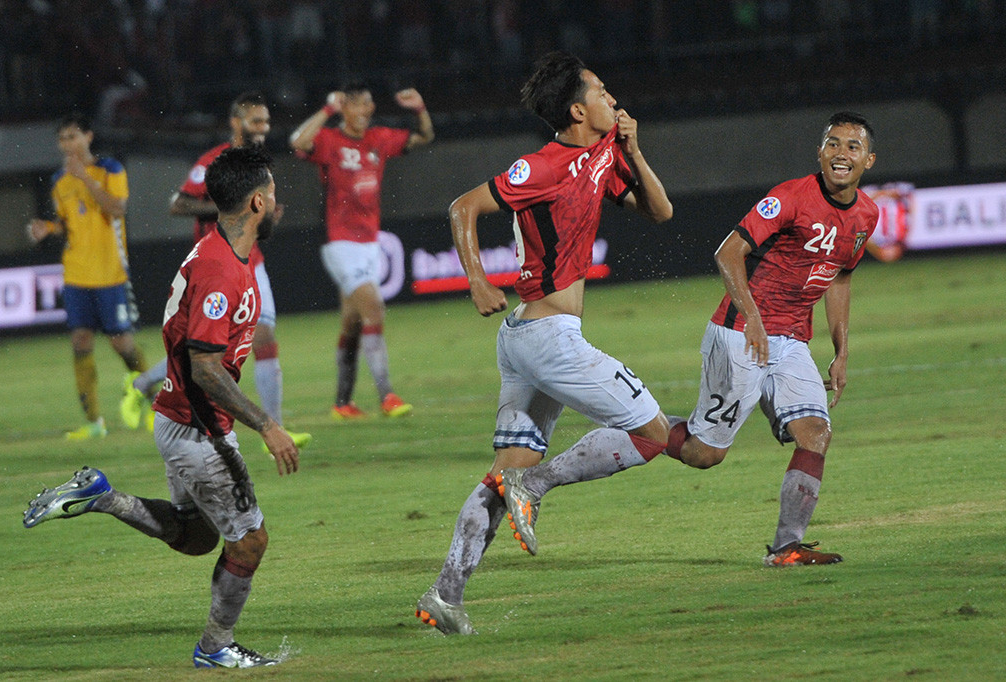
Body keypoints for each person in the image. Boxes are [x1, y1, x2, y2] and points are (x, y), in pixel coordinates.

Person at [414, 51, 673, 635]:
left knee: (503, 470)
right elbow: (464, 206)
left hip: (531, 340)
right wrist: (477, 280)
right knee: (654, 434)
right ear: (579, 109)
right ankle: (539, 482)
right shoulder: (543, 166)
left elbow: (660, 211)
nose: (613, 98)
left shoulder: (607, 152)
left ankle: (445, 595)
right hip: (547, 339)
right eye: (602, 91)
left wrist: (634, 149)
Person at [23, 146, 301, 669]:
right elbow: (205, 368)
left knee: (195, 537)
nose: (279, 205)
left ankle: (103, 497)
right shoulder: (223, 271)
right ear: (258, 201)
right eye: (275, 195)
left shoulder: (218, 253)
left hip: (177, 422)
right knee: (250, 543)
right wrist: (267, 425)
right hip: (200, 431)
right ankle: (216, 648)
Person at [659, 112, 879, 566]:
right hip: (743, 332)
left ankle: (786, 548)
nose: (841, 153)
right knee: (704, 454)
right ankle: (637, 422)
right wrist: (755, 319)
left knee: (815, 433)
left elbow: (839, 280)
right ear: (819, 153)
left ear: (869, 160)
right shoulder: (789, 197)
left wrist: (841, 352)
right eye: (833, 144)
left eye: (852, 146)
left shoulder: (866, 216)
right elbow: (728, 252)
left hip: (792, 339)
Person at [127, 92, 310, 450]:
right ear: (235, 122)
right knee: (214, 346)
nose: (263, 128)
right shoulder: (214, 162)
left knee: (263, 335)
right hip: (219, 266)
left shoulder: (258, 165)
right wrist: (226, 206)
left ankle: (275, 425)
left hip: (251, 261)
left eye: (266, 121)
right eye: (255, 121)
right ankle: (145, 383)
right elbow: (177, 204)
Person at [289, 81, 435, 419]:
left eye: (369, 105)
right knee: (374, 309)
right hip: (340, 244)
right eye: (359, 105)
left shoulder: (379, 138)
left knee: (352, 322)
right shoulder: (329, 141)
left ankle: (342, 403)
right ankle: (387, 396)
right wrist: (326, 109)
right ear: (345, 108)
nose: (367, 111)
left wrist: (419, 108)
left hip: (369, 243)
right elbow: (298, 141)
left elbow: (424, 137)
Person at [27, 112, 153, 440]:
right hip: (76, 275)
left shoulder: (110, 169)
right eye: (63, 139)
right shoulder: (59, 181)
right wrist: (48, 228)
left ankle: (158, 404)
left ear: (88, 137)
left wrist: (86, 178)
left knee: (122, 344)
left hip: (110, 272)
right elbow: (68, 224)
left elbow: (117, 208)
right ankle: (94, 422)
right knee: (80, 341)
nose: (68, 144)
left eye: (73, 136)